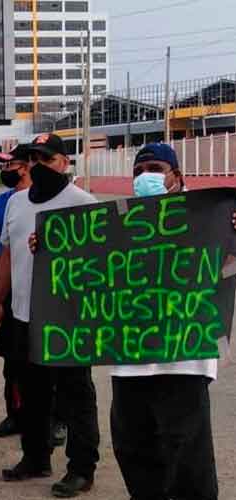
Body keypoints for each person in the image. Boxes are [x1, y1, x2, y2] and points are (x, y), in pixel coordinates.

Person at [0, 134, 100, 497]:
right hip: (23, 315)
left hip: (67, 319)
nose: (38, 165)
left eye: (47, 159)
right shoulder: (16, 203)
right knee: (31, 394)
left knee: (75, 396)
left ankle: (82, 468)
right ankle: (35, 457)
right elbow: (7, 255)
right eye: (33, 159)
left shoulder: (84, 203)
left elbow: (100, 265)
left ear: (64, 164)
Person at [111, 143, 219, 500]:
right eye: (139, 172)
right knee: (134, 450)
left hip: (183, 357)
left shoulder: (206, 215)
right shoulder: (120, 220)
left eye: (155, 168)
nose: (146, 177)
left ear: (177, 175)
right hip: (129, 360)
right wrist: (47, 247)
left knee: (188, 457)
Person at [0, 145, 32, 439]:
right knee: (12, 361)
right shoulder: (5, 202)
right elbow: (3, 252)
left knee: (47, 363)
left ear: (27, 167)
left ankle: (56, 421)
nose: (5, 170)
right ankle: (16, 415)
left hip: (44, 294)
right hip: (13, 293)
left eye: (11, 164)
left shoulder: (52, 198)